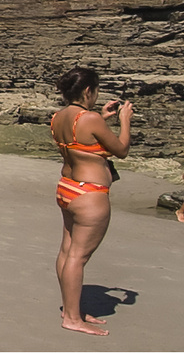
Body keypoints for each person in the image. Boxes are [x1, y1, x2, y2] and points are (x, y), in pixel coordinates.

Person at [49, 66, 131, 337]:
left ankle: (70, 309)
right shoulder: (91, 119)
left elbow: (81, 140)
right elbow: (121, 150)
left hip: (68, 188)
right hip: (90, 193)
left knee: (67, 251)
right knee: (78, 257)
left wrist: (102, 117)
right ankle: (72, 317)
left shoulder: (58, 117)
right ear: (88, 91)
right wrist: (125, 120)